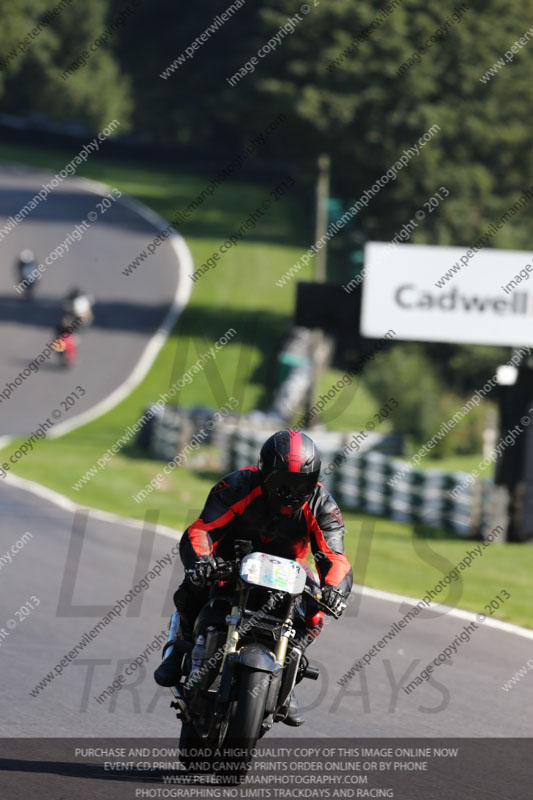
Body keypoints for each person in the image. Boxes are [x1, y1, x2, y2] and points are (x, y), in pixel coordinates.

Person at [154, 429, 353, 726]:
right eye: (283, 482)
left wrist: (335, 589)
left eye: (301, 483)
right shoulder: (237, 485)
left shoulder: (322, 504)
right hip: (231, 558)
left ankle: (290, 670)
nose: (291, 491)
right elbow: (202, 530)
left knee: (315, 612)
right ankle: (180, 647)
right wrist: (202, 562)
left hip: (288, 568)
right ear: (264, 472)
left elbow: (336, 558)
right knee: (192, 588)